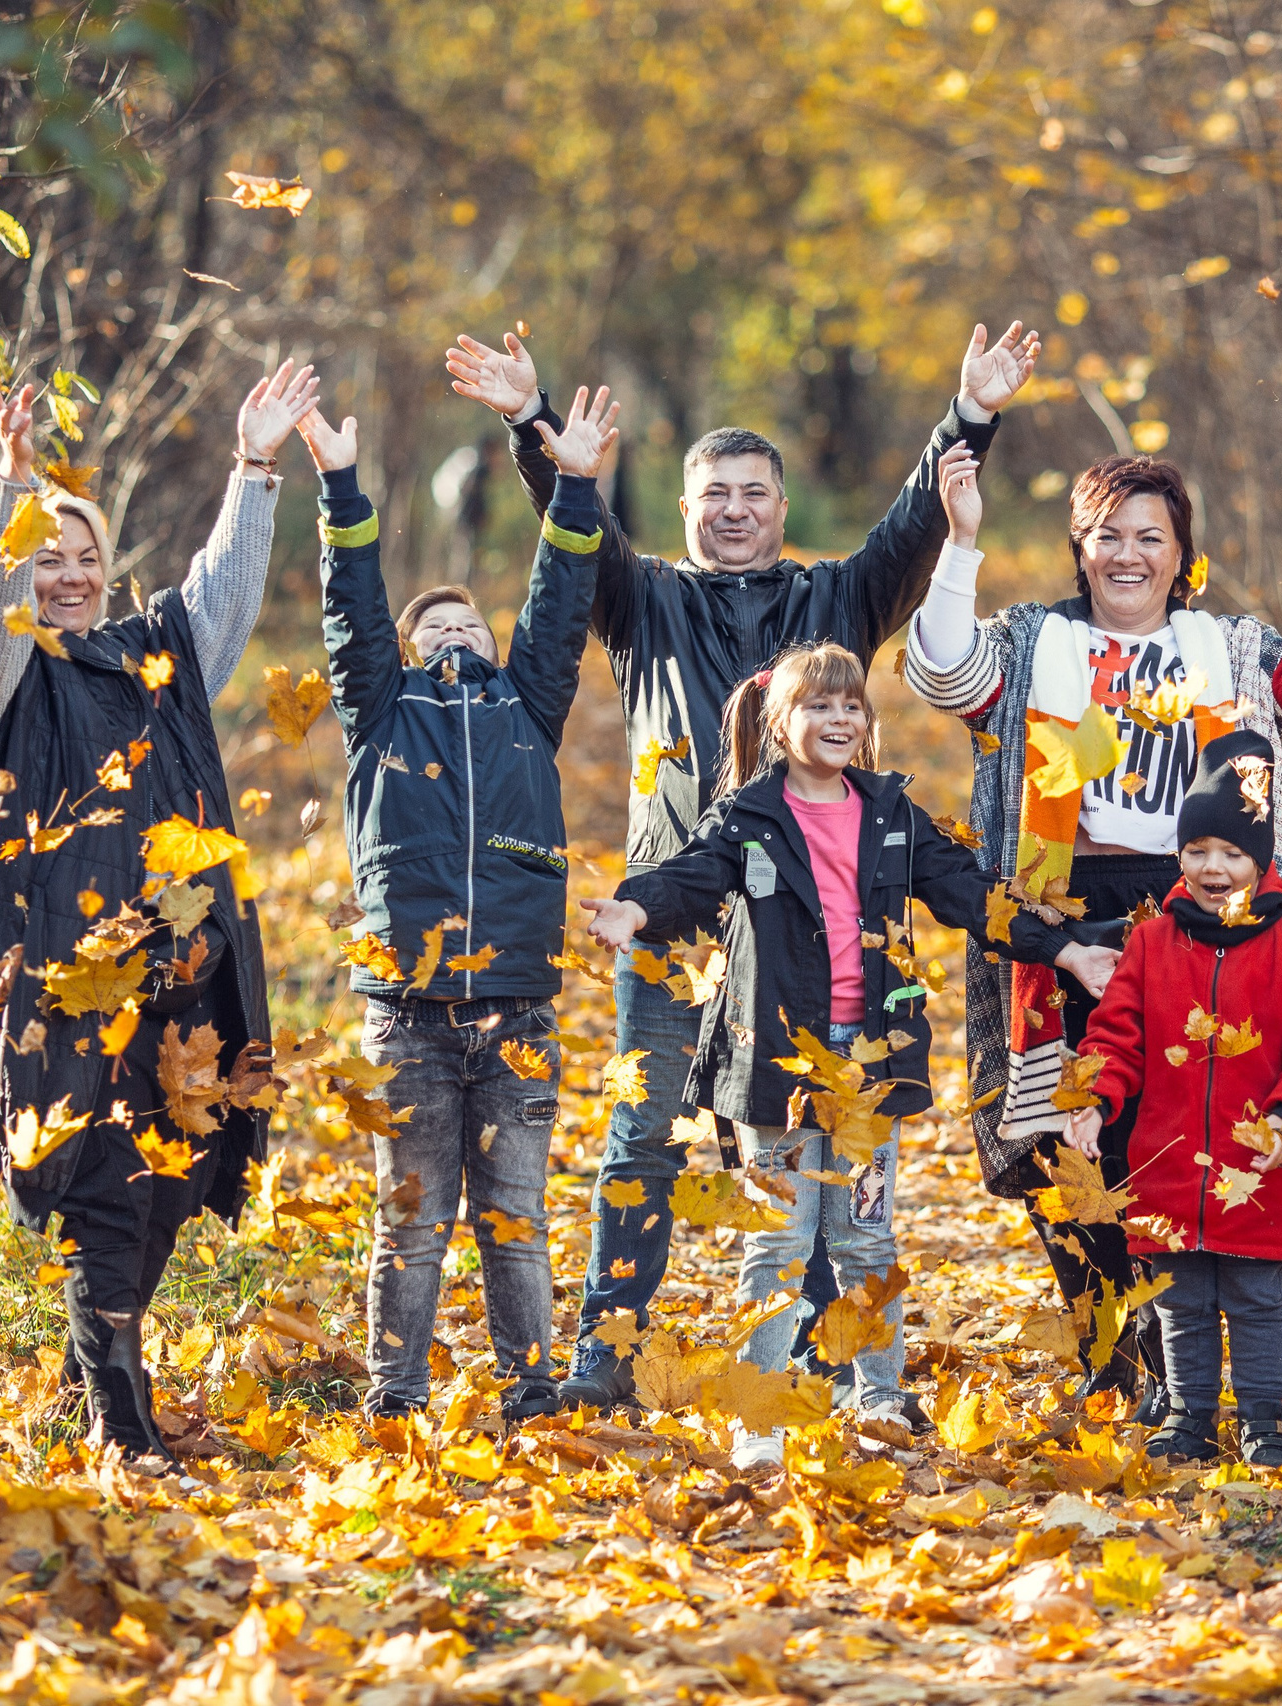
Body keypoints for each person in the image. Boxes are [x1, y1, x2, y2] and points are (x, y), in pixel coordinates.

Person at [444, 319, 1044, 1411]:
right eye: (714, 492)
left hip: (812, 934)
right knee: (644, 1144)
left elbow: (916, 524)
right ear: (686, 507)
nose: (734, 510)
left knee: (817, 1148)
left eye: (753, 493)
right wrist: (533, 426)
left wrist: (970, 414)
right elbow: (574, 523)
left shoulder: (840, 600)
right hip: (676, 920)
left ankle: (819, 1370)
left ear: (779, 505)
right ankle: (606, 1362)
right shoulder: (641, 601)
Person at [902, 444, 1282, 1414]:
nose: (1128, 555)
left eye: (1149, 537)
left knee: (1166, 1131)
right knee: (1053, 1135)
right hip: (1050, 908)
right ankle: (1107, 1349)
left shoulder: (1227, 649)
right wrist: (958, 543)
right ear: (1079, 548)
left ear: (1179, 551)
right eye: (1108, 536)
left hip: (1189, 910)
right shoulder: (1033, 641)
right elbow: (940, 670)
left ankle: (1172, 1360)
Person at [0, 361, 314, 1465]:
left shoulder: (148, 656)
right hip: (52, 974)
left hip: (176, 959)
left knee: (167, 1172)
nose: (68, 575)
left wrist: (253, 466)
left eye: (84, 556)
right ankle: (119, 1413)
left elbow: (222, 597)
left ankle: (85, 1364)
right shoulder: (2, 675)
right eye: (48, 560)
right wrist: (10, 495)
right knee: (102, 1174)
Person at [577, 633, 1070, 1467]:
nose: (838, 717)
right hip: (777, 1074)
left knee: (866, 1241)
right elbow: (691, 876)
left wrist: (1063, 947)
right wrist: (634, 909)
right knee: (776, 1249)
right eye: (818, 704)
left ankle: (879, 1397)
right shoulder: (751, 817)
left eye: (851, 705)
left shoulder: (890, 814)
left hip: (869, 1076)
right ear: (779, 722)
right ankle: (758, 1415)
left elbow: (969, 895)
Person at [301, 388, 615, 1423]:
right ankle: (397, 1394)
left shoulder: (528, 702)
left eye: (468, 620)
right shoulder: (382, 711)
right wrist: (340, 487)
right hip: (408, 1011)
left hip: (518, 1006)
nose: (454, 630)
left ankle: (532, 1390)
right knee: (413, 1217)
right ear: (404, 647)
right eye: (432, 623)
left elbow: (563, 601)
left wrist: (574, 484)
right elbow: (350, 608)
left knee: (515, 1215)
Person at [1067, 732, 1282, 1466]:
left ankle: (1264, 1422)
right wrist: (1096, 1100)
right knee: (1180, 1302)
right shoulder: (1151, 946)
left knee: (1257, 1302)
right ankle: (1189, 1417)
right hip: (1167, 1165)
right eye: (1197, 850)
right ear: (1179, 857)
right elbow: (1114, 1035)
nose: (1212, 867)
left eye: (1231, 853)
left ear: (1260, 864)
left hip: (1262, 1170)